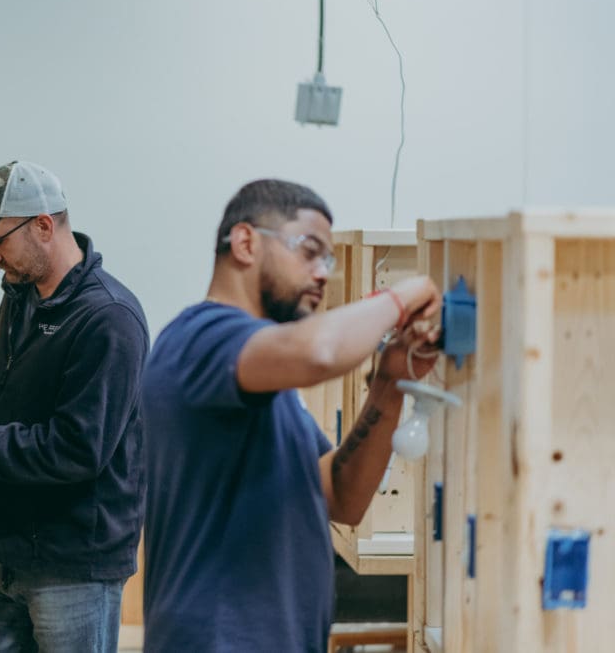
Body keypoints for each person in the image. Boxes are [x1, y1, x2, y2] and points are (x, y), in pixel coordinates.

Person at [141, 179, 442, 652]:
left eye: (328, 260)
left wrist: (388, 384)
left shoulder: (262, 379)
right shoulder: (199, 338)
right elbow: (320, 351)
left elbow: (340, 497)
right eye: (309, 251)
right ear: (245, 242)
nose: (322, 273)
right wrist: (405, 295)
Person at [0, 160, 149, 653]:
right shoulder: (22, 294)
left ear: (43, 226)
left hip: (72, 567)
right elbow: (31, 383)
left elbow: (76, 448)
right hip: (0, 553)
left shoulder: (108, 319)